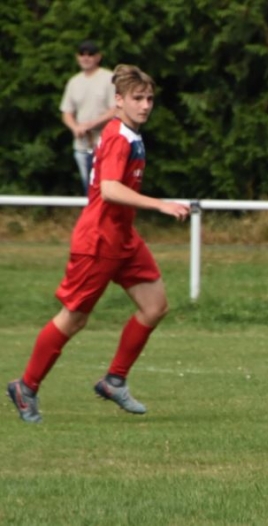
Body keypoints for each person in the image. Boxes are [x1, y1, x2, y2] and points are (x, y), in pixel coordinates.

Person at [7, 64, 190, 424]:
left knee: (154, 306)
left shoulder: (128, 133)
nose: (145, 105)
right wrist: (160, 204)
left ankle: (114, 380)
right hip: (98, 240)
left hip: (123, 238)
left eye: (150, 98)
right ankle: (25, 387)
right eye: (138, 98)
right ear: (118, 100)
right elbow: (109, 189)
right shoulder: (120, 137)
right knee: (74, 318)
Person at [60, 40, 117, 196]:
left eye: (90, 54)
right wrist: (75, 127)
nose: (86, 58)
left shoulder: (108, 78)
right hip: (82, 146)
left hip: (106, 144)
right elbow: (66, 112)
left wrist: (90, 124)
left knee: (106, 188)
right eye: (82, 54)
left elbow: (116, 109)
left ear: (98, 57)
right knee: (89, 189)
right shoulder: (74, 82)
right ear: (77, 57)